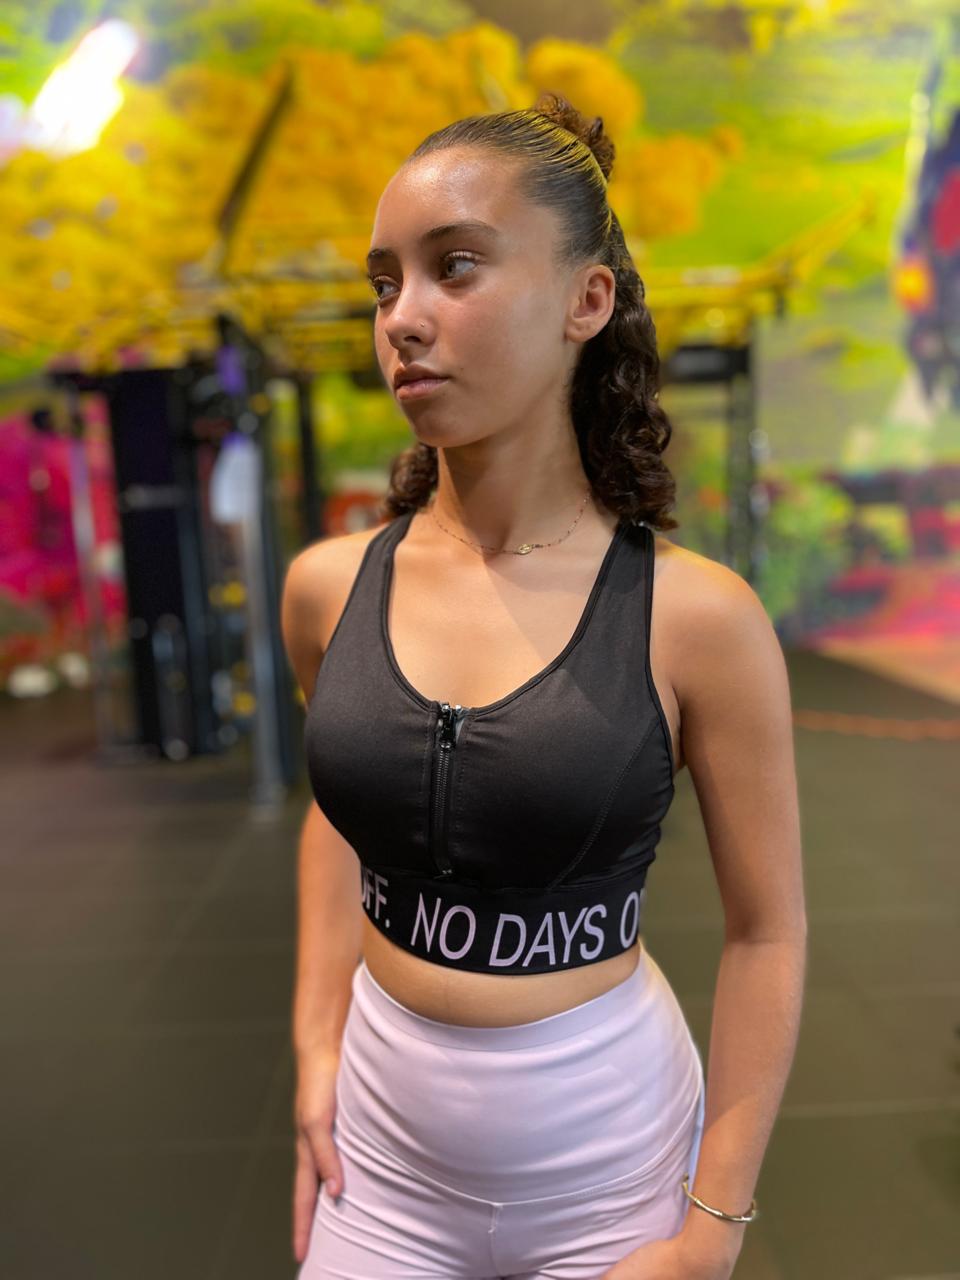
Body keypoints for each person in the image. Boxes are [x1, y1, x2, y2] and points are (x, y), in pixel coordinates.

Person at [281, 92, 807, 1280]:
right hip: (380, 1165)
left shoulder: (697, 618)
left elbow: (769, 930)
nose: (403, 317)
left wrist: (710, 1233)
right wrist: (314, 1043)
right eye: (384, 283)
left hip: (611, 1176)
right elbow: (335, 812)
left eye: (455, 266)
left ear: (587, 299)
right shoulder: (326, 587)